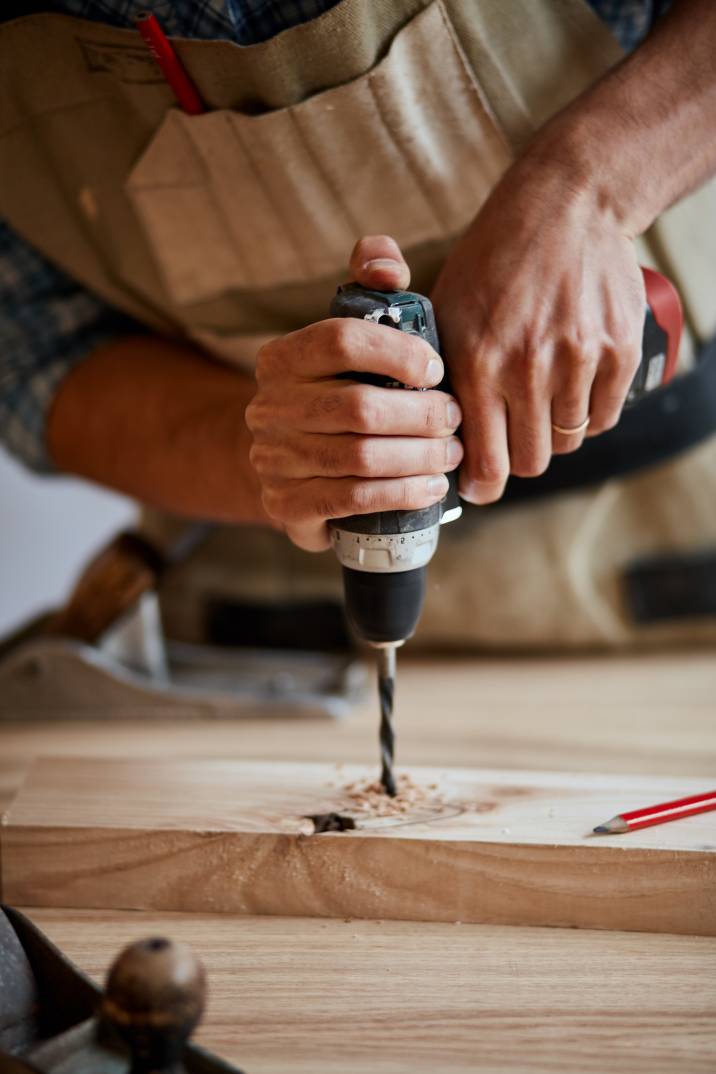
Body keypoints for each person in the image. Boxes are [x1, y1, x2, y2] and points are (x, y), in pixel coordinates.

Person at [2, 0, 716, 651]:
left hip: (660, 547)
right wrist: (286, 453)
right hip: (268, 605)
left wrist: (587, 187)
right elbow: (39, 359)